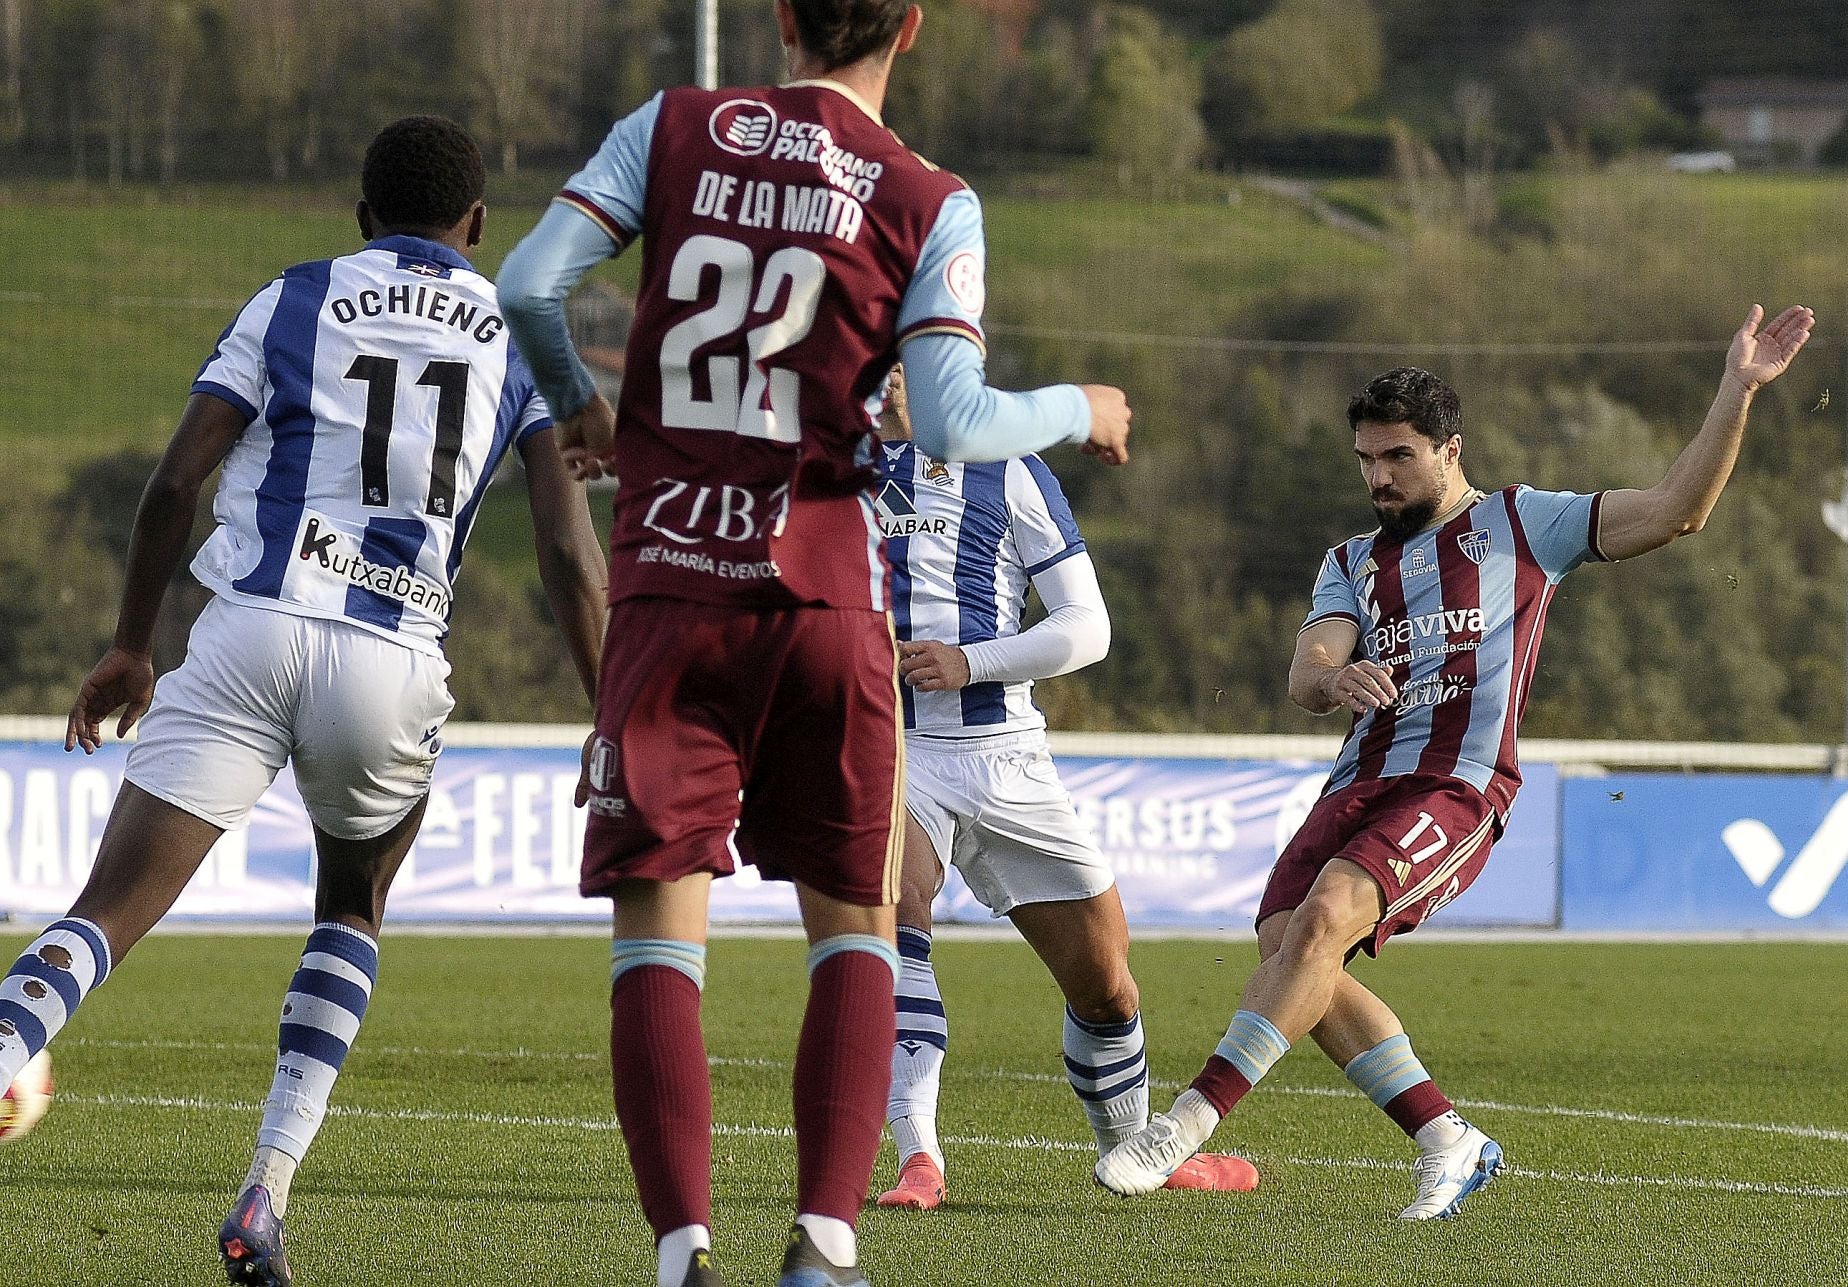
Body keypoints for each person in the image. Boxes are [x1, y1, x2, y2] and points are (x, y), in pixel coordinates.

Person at [495, 3, 1131, 1284]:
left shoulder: (673, 129)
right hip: (829, 606)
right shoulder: (924, 194)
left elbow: (524, 285)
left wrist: (585, 408)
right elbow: (947, 419)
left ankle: (681, 1250)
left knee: (660, 942)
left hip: (671, 588)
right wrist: (1081, 407)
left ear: (780, 17)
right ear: (909, 28)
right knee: (852, 932)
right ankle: (826, 1241)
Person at [0, 116, 607, 1287]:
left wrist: (134, 643)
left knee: (107, 913)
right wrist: (609, 705)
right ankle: (265, 1196)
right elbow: (568, 548)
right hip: (389, 661)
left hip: (248, 632)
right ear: (477, 227)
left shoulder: (294, 297)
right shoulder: (518, 340)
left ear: (361, 215)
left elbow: (177, 480)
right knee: (350, 908)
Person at [1094, 305, 1815, 1216]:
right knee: (1287, 948)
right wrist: (1336, 677)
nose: (1378, 477)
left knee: (1320, 921)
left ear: (1450, 449)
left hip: (1458, 783)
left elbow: (1679, 511)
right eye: (1365, 459)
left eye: (1397, 457)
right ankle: (1448, 1135)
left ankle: (1186, 1123)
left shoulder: (1524, 525)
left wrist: (1736, 390)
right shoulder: (1353, 559)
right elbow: (1306, 671)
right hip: (1359, 781)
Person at [867, 370, 1256, 1210]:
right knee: (896, 911)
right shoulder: (829, 463)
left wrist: (973, 662)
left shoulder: (1004, 463)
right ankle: (918, 1156)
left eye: (910, 351)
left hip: (1006, 756)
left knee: (1109, 987)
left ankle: (1137, 1149)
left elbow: (1089, 625)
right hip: (888, 744)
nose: (893, 371)